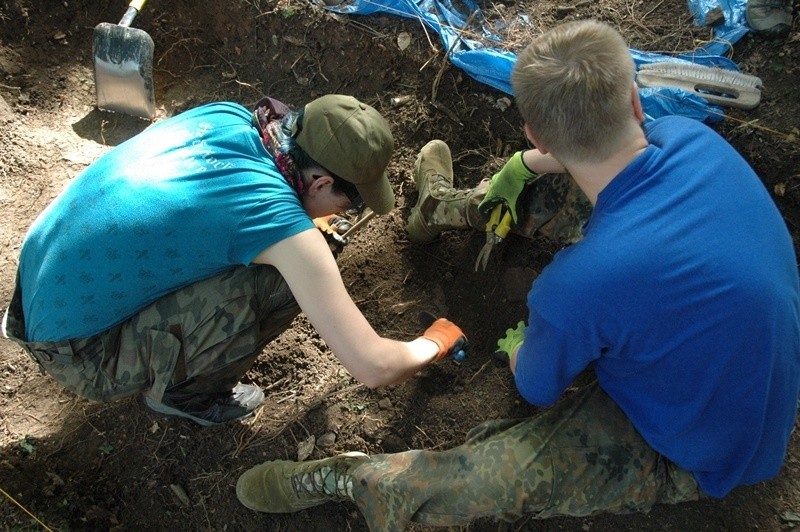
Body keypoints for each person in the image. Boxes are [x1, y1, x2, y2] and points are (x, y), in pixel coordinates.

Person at [235, 20, 800, 531]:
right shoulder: (692, 138)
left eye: (531, 146)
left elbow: (536, 387)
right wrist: (523, 168)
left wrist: (522, 343)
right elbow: (603, 155)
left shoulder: (574, 285)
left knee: (490, 476)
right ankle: (441, 206)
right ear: (634, 99)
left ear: (535, 133)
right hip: (741, 367)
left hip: (696, 450)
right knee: (552, 186)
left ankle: (361, 481)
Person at [1, 94, 466, 426]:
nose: (349, 212)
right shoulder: (276, 220)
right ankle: (185, 395)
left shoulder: (231, 116)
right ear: (321, 182)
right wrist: (433, 342)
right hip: (77, 353)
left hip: (38, 283)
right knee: (282, 282)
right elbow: (374, 367)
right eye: (352, 202)